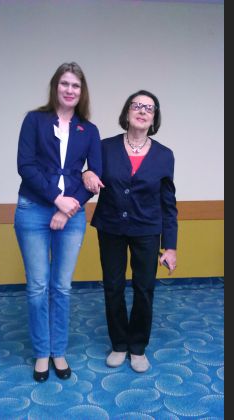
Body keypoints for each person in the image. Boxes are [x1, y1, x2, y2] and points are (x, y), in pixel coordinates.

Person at [14, 62, 102, 382]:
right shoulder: (34, 120)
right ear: (55, 87)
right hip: (33, 210)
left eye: (75, 85)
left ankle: (58, 350)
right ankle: (42, 352)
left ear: (82, 92)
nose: (69, 90)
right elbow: (26, 166)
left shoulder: (88, 130)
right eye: (64, 83)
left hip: (72, 215)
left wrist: (66, 209)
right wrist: (56, 198)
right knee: (38, 286)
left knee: (61, 287)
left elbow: (95, 176)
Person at [82, 89, 177, 373]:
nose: (142, 111)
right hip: (111, 226)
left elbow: (168, 203)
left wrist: (170, 246)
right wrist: (85, 173)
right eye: (137, 106)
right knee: (113, 286)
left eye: (149, 108)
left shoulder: (164, 155)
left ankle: (137, 347)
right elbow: (88, 175)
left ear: (154, 118)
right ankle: (119, 344)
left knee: (144, 288)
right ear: (127, 112)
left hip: (147, 229)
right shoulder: (105, 147)